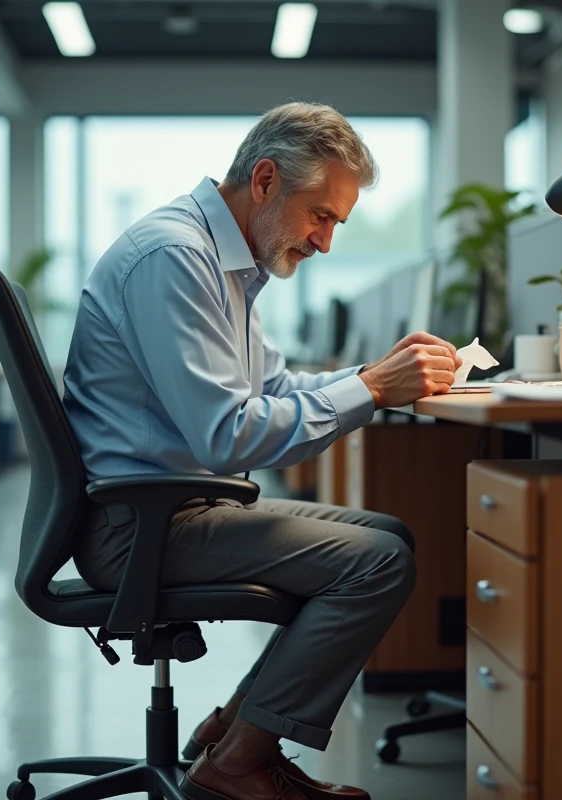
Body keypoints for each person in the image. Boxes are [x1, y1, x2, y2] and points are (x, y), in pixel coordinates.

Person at [63, 102, 462, 800]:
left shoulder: (223, 263)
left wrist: (376, 375)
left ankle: (235, 733)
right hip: (139, 528)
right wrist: (372, 390)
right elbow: (227, 435)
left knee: (388, 536)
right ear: (267, 180)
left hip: (171, 508)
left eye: (336, 224)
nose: (325, 242)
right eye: (321, 216)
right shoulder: (175, 258)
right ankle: (238, 764)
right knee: (378, 563)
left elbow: (273, 386)